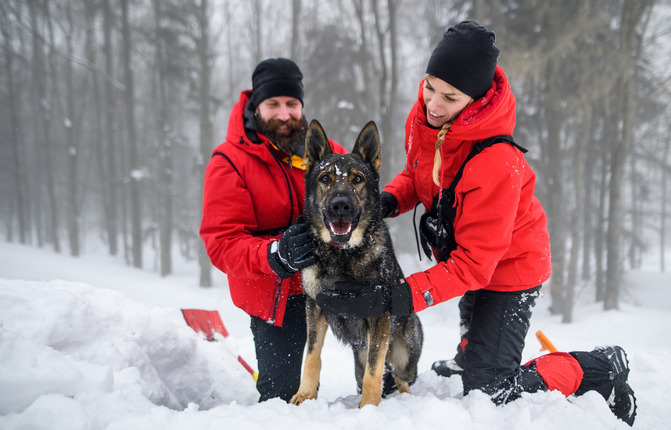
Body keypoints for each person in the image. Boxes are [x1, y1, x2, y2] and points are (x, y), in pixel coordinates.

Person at [314, 22, 637, 425]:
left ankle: (598, 366)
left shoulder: (496, 162)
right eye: (430, 86)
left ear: (476, 99)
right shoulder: (425, 120)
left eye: (449, 96)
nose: (432, 102)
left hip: (510, 269)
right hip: (462, 253)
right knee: (476, 339)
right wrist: (387, 200)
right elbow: (421, 178)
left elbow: (474, 266)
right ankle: (474, 354)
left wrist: (397, 297)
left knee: (491, 389)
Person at [199, 58, 346, 402]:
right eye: (273, 104)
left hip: (329, 283)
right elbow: (221, 243)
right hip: (276, 296)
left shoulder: (327, 152)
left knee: (374, 370)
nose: (284, 114)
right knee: (283, 398)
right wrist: (274, 253)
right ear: (256, 106)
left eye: (292, 104)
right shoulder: (230, 162)